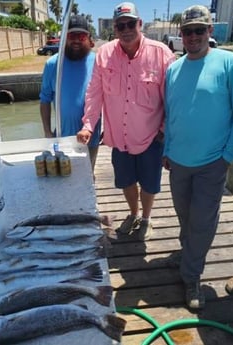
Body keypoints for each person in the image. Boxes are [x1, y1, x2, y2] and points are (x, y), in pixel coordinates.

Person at [163, 5, 233, 310]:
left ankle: (192, 276)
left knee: (202, 222)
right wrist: (167, 149)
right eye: (187, 31)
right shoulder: (173, 68)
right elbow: (171, 114)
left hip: (213, 163)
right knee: (185, 217)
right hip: (178, 162)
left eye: (199, 30)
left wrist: (227, 156)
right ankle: (189, 254)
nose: (193, 36)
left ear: (210, 32)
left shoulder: (231, 63)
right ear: (181, 35)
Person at [77, 2, 175, 240]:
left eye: (131, 23)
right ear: (115, 28)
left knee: (150, 184)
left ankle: (147, 218)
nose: (126, 29)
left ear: (140, 24)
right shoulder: (104, 53)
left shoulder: (162, 53)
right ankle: (133, 213)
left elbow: (173, 98)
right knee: (126, 181)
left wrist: (165, 131)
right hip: (119, 137)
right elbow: (94, 92)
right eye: (121, 25)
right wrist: (88, 124)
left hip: (152, 135)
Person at [40, 15, 101, 171]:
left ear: (88, 38)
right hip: (62, 136)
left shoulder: (99, 62)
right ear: (64, 38)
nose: (76, 40)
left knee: (88, 175)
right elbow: (45, 100)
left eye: (81, 36)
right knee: (63, 176)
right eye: (71, 35)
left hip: (91, 138)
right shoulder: (52, 64)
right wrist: (47, 132)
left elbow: (109, 97)